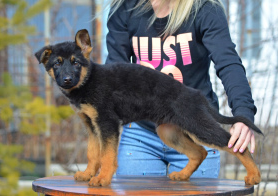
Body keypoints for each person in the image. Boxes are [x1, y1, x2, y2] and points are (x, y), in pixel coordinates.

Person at [105, 0, 257, 178]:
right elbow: (114, 73)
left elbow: (228, 63)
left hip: (194, 129)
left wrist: (244, 113)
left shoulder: (205, 10)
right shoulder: (124, 8)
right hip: (141, 135)